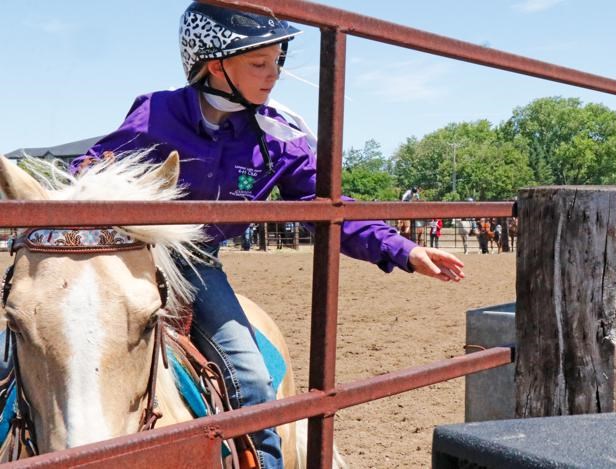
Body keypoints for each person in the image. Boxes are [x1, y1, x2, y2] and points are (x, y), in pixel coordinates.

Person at [67, 4, 465, 467]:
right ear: (215, 65)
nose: (274, 74)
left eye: (278, 60)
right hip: (123, 256)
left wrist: (404, 249)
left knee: (252, 380)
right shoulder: (155, 114)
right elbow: (89, 175)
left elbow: (330, 208)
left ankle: (265, 461)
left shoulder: (278, 135)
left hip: (193, 263)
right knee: (28, 341)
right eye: (259, 63)